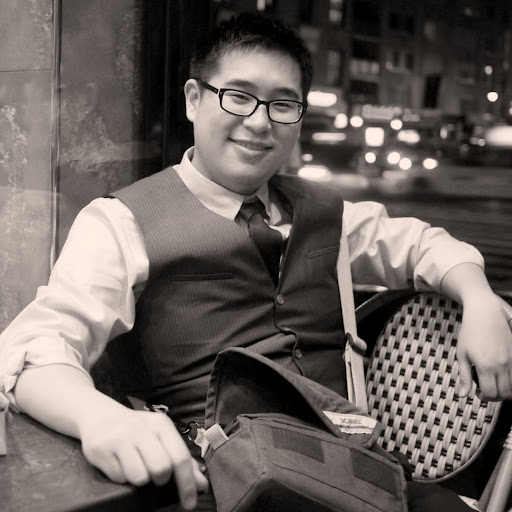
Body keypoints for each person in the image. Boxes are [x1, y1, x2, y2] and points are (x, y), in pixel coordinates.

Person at [1, 11, 511, 512]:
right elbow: (35, 349)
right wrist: (99, 417)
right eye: (239, 96)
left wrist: (479, 298)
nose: (260, 122)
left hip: (357, 476)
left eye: (283, 105)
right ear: (194, 99)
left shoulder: (325, 212)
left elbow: (423, 244)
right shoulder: (122, 221)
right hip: (219, 485)